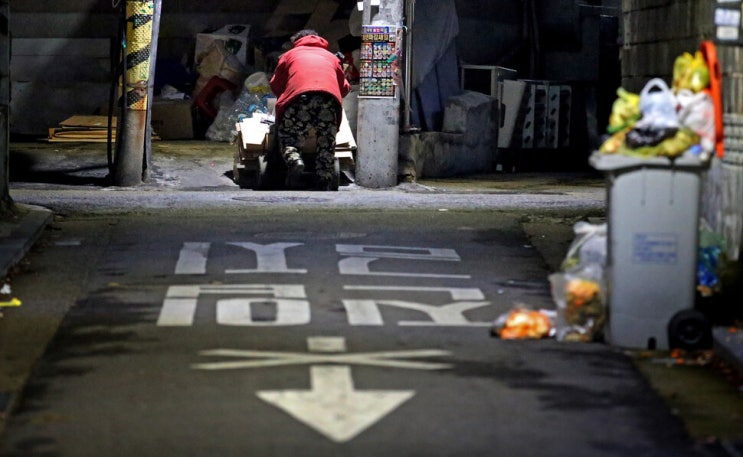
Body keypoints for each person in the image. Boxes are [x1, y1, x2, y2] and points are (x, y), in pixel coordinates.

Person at [269, 29, 351, 190]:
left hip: (299, 99)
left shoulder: (289, 55)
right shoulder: (332, 58)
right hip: (328, 100)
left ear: (297, 41)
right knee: (326, 141)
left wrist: (287, 92)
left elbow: (275, 84)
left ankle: (294, 160)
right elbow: (345, 88)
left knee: (289, 135)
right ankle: (324, 178)